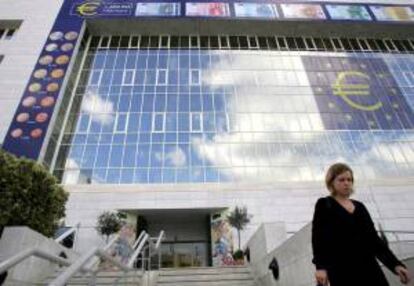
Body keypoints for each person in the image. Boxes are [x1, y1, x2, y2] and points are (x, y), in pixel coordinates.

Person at [312, 163, 411, 286]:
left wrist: (395, 265)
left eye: (349, 179)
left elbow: (374, 240)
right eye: (341, 180)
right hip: (341, 269)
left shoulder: (360, 207)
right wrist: (320, 267)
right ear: (332, 182)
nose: (346, 183)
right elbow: (318, 239)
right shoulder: (324, 204)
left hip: (370, 267)